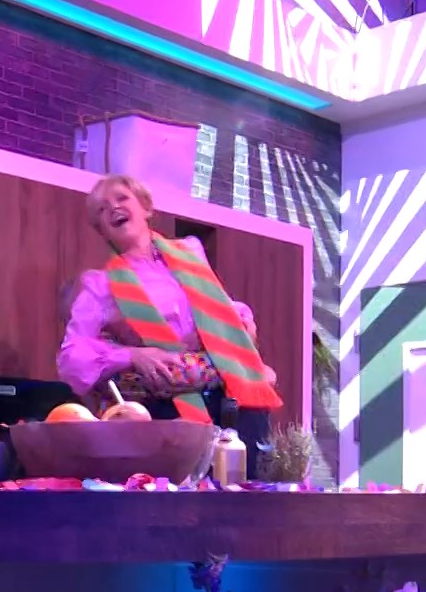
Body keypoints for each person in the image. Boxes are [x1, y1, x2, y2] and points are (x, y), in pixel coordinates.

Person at [58, 173, 281, 468]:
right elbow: (71, 359)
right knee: (187, 491)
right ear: (101, 230)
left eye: (122, 198)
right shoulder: (100, 285)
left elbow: (223, 307)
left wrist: (240, 324)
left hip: (233, 400)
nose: (113, 208)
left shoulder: (191, 252)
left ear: (146, 208)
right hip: (169, 412)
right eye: (102, 209)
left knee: (248, 488)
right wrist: (133, 355)